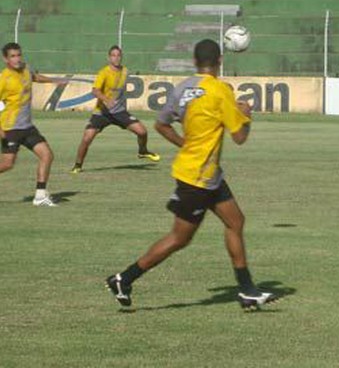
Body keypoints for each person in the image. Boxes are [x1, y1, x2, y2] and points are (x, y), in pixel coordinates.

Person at [105, 39, 276, 311]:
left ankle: (246, 290)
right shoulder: (221, 91)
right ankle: (123, 278)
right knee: (179, 239)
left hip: (206, 174)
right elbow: (240, 137)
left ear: (195, 62)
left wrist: (185, 144)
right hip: (198, 179)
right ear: (220, 60)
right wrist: (246, 114)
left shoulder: (183, 88)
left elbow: (161, 124)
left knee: (235, 222)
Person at [70, 45, 159, 173]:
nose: (116, 58)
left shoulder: (125, 71)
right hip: (102, 112)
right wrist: (106, 100)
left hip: (119, 112)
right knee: (87, 138)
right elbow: (95, 90)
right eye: (113, 55)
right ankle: (78, 165)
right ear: (109, 57)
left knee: (142, 132)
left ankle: (142, 151)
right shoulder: (104, 72)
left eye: (118, 55)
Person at [0, 42, 66, 206]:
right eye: (13, 56)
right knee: (7, 164)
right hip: (11, 129)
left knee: (47, 155)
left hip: (27, 127)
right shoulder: (4, 79)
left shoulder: (25, 69)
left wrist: (53, 80)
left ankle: (40, 196)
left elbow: (34, 77)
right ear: (5, 59)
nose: (17, 59)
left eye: (19, 55)